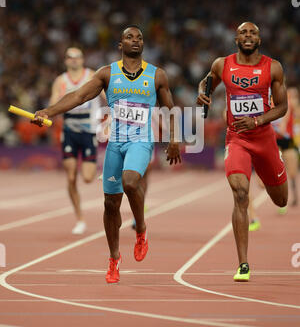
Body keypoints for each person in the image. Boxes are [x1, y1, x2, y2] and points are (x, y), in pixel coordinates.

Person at [33, 26, 181, 283]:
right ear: (120, 45)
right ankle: (114, 259)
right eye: (129, 37)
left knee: (131, 181)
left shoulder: (157, 75)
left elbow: (170, 108)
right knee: (110, 205)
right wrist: (49, 111)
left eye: (139, 38)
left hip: (141, 141)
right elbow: (78, 96)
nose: (135, 40)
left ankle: (141, 229)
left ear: (143, 45)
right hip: (116, 143)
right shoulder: (107, 74)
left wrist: (174, 139)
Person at [197, 21, 288, 282]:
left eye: (253, 32)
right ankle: (244, 264)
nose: (248, 36)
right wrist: (202, 95)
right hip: (237, 139)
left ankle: (273, 174)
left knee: (281, 200)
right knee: (240, 194)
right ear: (236, 38)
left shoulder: (273, 67)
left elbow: (282, 107)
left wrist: (258, 121)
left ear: (260, 39)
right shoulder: (221, 64)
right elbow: (206, 85)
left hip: (264, 140)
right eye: (243, 32)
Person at [49, 47, 101, 235]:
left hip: (88, 132)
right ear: (65, 61)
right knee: (71, 176)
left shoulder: (91, 76)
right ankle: (80, 218)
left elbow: (106, 96)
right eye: (70, 57)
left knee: (87, 178)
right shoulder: (61, 81)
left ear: (82, 59)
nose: (73, 60)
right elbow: (54, 102)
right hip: (69, 130)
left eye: (77, 57)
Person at [272, 87, 299, 210]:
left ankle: (294, 196)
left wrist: (294, 104)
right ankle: (281, 198)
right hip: (274, 141)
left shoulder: (289, 103)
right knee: (278, 171)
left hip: (288, 140)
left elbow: (295, 115)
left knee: (292, 173)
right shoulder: (268, 101)